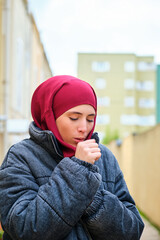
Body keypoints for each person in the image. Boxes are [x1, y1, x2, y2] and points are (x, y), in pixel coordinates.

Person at [0, 75, 144, 240]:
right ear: (50, 116)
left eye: (90, 119)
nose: (84, 127)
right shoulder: (21, 156)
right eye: (74, 118)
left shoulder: (104, 157)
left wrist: (94, 201)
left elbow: (132, 231)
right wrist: (79, 172)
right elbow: (25, 229)